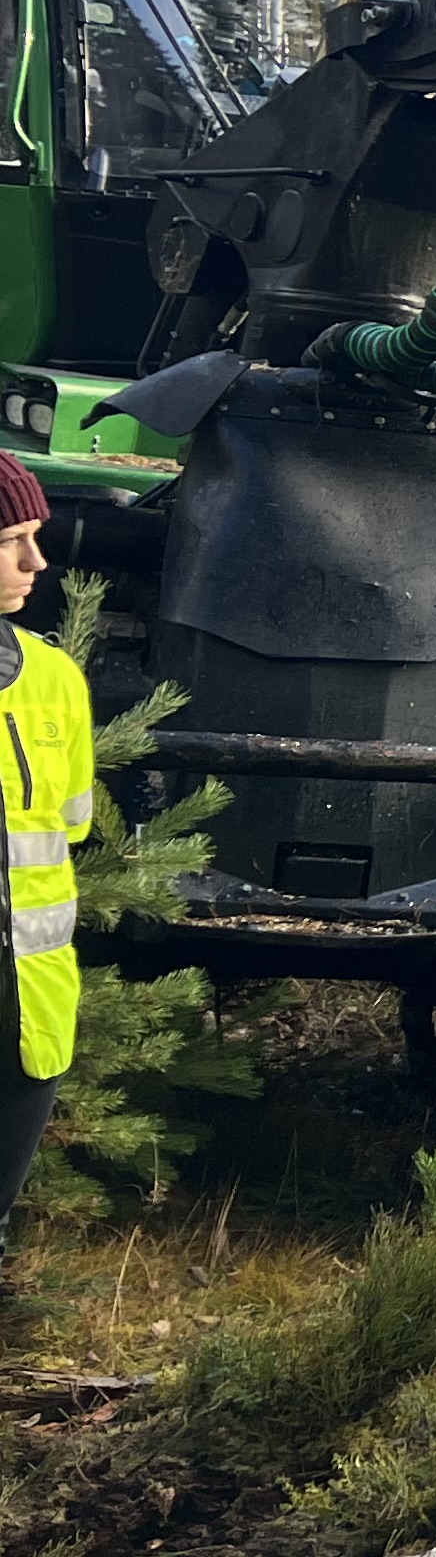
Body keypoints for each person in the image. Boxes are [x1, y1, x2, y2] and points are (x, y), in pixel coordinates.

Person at [0, 460, 96, 1276]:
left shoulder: (57, 679)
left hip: (28, 1015)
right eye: (13, 543)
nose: (37, 564)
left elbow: (71, 825)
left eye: (35, 540)